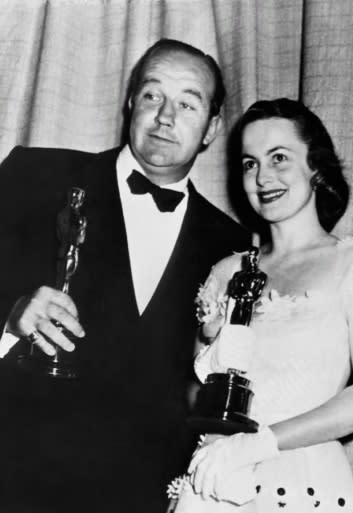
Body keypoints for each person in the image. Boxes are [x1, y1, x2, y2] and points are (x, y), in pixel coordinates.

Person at [0, 39, 250, 512]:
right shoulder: (35, 174)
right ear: (131, 101)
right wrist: (9, 319)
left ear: (213, 128)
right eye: (153, 95)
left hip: (144, 494)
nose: (165, 117)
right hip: (17, 478)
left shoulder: (232, 247)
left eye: (187, 103)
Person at [172, 98, 353, 512]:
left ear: (316, 167)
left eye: (279, 158)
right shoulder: (226, 271)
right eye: (249, 163)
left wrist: (260, 443)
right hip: (216, 477)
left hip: (301, 478)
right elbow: (195, 391)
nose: (262, 177)